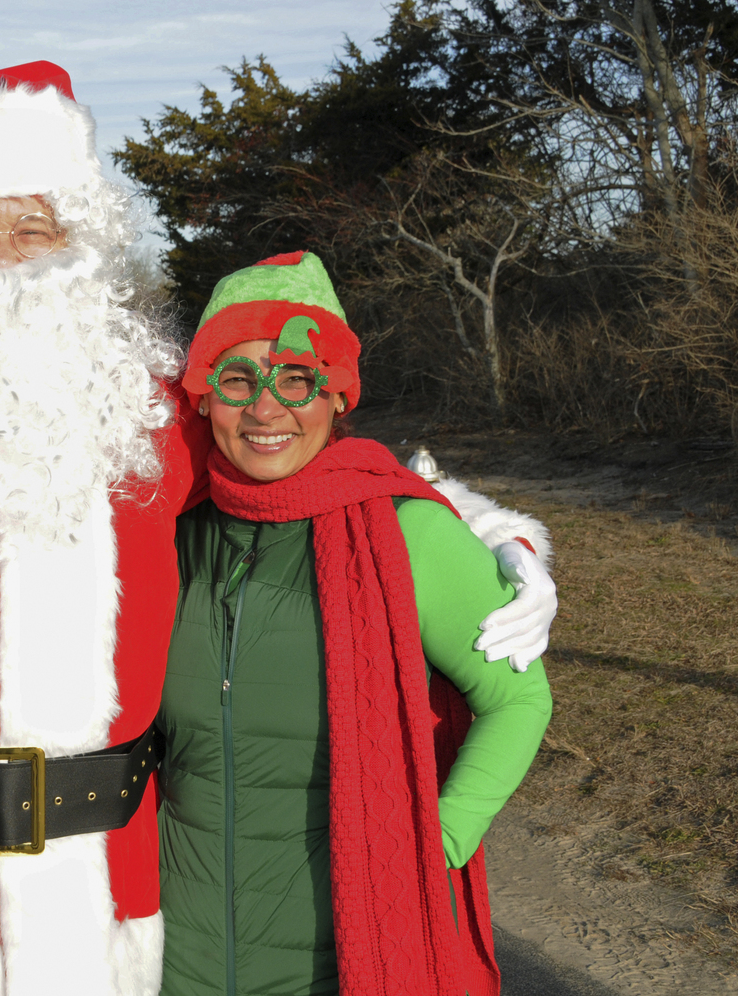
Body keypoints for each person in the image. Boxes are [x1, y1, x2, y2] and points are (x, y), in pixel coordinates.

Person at [0, 64, 554, 996]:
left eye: (35, 227)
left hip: (103, 898)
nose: (5, 256)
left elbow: (307, 461)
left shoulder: (146, 421)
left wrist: (499, 538)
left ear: (81, 244)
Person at [156, 251, 554, 996]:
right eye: (238, 379)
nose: (267, 408)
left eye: (297, 379)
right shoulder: (173, 536)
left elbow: (519, 700)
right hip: (176, 952)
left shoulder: (404, 533)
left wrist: (434, 844)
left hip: (345, 950)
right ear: (204, 398)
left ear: (337, 396)